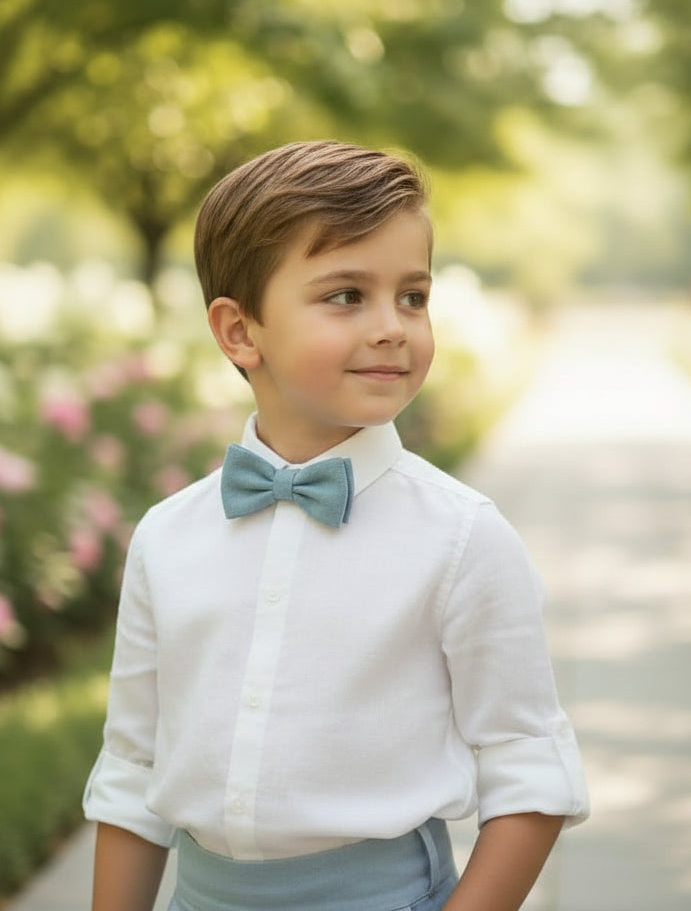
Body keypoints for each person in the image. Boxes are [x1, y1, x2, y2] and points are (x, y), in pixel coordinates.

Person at [83, 141, 589, 911]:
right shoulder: (167, 537)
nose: (392, 327)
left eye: (413, 296)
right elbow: (130, 769)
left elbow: (531, 771)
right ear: (239, 332)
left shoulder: (462, 540)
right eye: (347, 296)